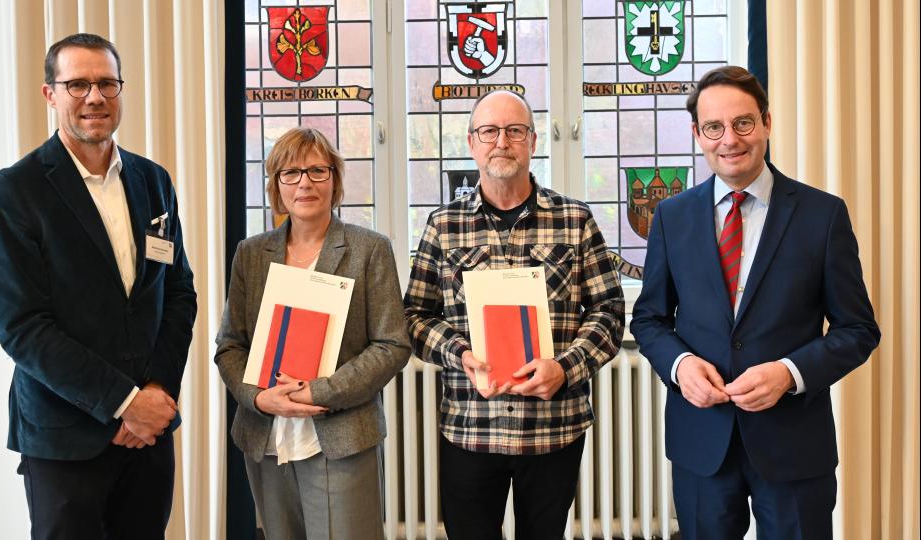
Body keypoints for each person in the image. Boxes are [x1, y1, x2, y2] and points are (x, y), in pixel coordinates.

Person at [631, 66, 881, 539]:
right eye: (714, 127)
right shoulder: (670, 216)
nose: (729, 139)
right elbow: (649, 319)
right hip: (701, 443)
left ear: (766, 123)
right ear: (697, 135)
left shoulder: (823, 214)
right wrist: (681, 366)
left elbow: (858, 330)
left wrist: (789, 373)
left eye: (743, 123)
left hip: (794, 447)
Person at [0, 33, 197, 539]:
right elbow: (23, 328)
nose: (94, 97)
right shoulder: (13, 191)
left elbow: (177, 292)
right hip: (65, 437)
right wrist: (124, 403)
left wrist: (157, 392)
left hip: (149, 434)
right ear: (50, 94)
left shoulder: (153, 181)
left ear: (120, 90)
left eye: (106, 83)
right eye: (77, 84)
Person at [404, 90, 625, 540]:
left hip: (553, 428)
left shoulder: (575, 220)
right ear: (471, 143)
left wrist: (565, 368)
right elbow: (415, 316)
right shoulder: (443, 225)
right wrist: (459, 353)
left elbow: (609, 311)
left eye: (514, 131)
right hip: (470, 427)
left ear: (533, 141)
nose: (501, 142)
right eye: (489, 131)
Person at [215, 127, 409, 540]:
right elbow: (230, 346)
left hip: (340, 436)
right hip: (267, 440)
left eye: (318, 171)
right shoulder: (250, 254)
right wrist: (257, 397)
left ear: (335, 180)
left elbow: (392, 344)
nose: (304, 182)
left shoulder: (369, 249)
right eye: (291, 173)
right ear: (276, 185)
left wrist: (320, 391)